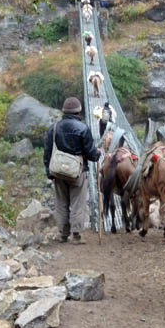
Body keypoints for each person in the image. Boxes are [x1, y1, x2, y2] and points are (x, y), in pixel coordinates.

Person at [44, 97, 100, 243]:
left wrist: (48, 172)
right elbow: (92, 155)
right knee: (78, 203)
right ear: (78, 112)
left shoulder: (54, 128)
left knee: (61, 203)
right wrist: (98, 153)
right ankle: (76, 235)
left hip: (58, 172)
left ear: (64, 111)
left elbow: (47, 152)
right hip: (77, 172)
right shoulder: (83, 129)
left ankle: (63, 234)